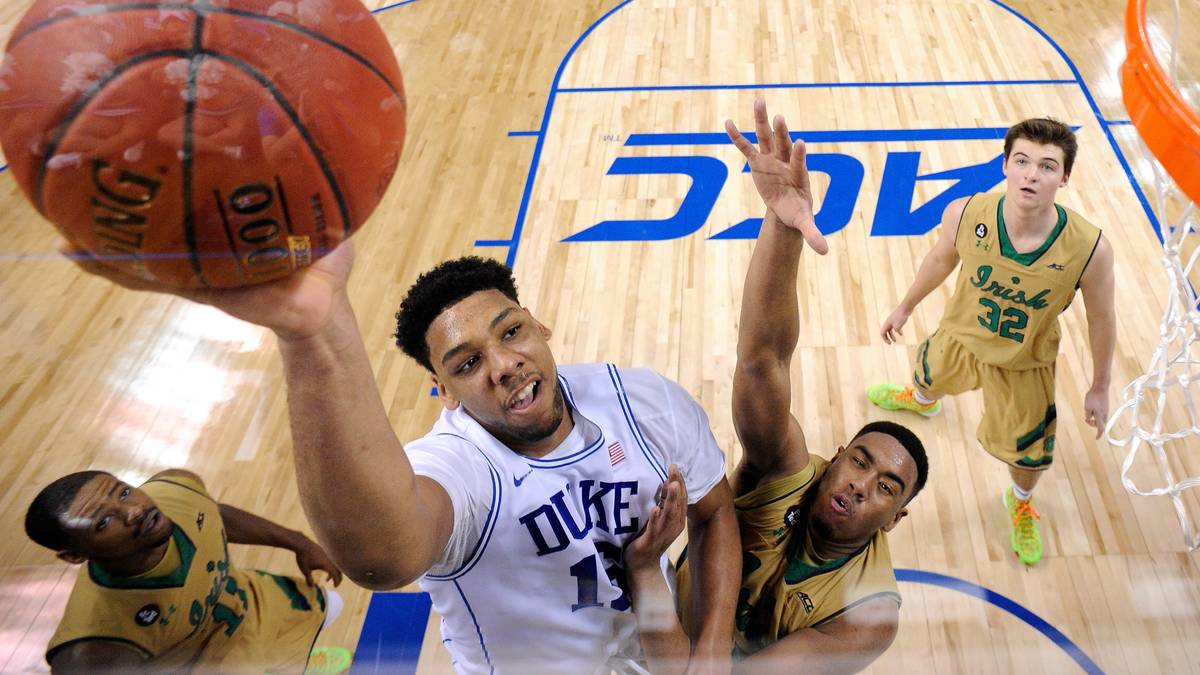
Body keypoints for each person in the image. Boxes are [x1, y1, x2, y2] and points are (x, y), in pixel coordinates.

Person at [70, 246, 740, 673]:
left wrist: (711, 645)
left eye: (511, 332)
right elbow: (383, 554)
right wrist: (314, 336)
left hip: (665, 651)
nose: (505, 366)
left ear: (539, 324)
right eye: (468, 363)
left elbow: (716, 512)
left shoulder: (640, 397)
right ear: (443, 392)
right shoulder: (459, 465)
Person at [626, 99, 929, 674]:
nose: (862, 485)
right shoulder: (785, 470)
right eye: (859, 462)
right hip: (654, 631)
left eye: (887, 488)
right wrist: (783, 227)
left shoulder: (870, 614)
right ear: (834, 459)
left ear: (894, 520)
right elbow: (762, 362)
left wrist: (646, 579)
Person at [867, 117, 1115, 566]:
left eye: (1045, 166)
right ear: (1005, 165)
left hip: (1024, 361)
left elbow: (1101, 318)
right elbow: (941, 259)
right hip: (962, 335)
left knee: (1029, 452)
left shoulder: (1090, 249)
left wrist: (1100, 385)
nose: (1030, 174)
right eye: (1021, 161)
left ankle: (1019, 501)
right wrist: (905, 307)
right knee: (927, 373)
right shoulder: (965, 212)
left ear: (1064, 177)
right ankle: (922, 400)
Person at [25, 468, 343, 674]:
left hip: (260, 606)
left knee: (334, 607)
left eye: (123, 493)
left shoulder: (176, 489)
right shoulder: (98, 643)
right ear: (75, 555)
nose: (134, 510)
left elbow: (213, 513)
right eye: (103, 522)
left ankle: (303, 659)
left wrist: (297, 541)